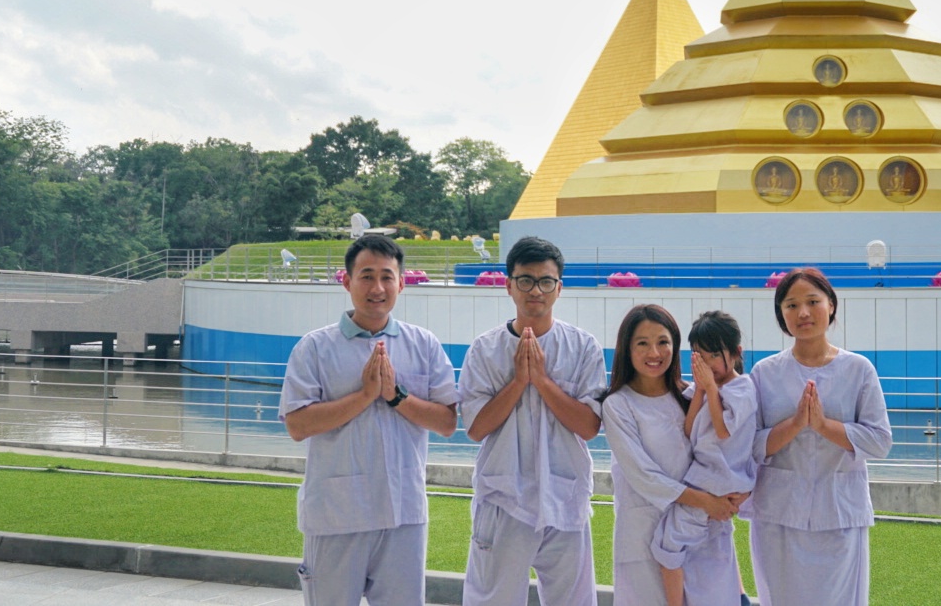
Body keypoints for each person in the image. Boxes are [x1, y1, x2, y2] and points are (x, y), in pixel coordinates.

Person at [278, 234, 459, 606]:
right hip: (336, 514)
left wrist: (395, 396)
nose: (377, 287)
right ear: (346, 281)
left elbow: (447, 422)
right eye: (366, 275)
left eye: (387, 276)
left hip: (403, 514)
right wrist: (363, 396)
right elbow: (298, 426)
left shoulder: (423, 345)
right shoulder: (315, 347)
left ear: (402, 283)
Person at [459, 236, 605, 606]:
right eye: (525, 280)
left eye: (545, 281)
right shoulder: (485, 349)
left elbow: (589, 426)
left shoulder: (583, 346)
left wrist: (541, 380)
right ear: (508, 285)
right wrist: (519, 382)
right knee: (492, 599)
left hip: (565, 493)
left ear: (559, 288)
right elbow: (476, 428)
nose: (535, 290)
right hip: (503, 495)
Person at [749, 269, 891, 606]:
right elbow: (750, 446)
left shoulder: (858, 370)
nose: (803, 313)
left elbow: (880, 441)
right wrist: (796, 424)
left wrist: (824, 425)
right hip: (779, 515)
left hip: (839, 514)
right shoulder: (764, 373)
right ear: (781, 314)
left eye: (813, 302)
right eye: (791, 305)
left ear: (831, 306)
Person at [600, 304, 743, 606]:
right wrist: (706, 501)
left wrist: (729, 498)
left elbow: (722, 453)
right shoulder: (619, 405)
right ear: (627, 349)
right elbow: (644, 477)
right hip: (644, 535)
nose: (654, 352)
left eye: (663, 342)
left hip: (702, 531)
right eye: (642, 343)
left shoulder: (692, 396)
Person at [652, 311, 757, 606]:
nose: (707, 363)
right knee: (704, 545)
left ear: (736, 353)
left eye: (713, 354)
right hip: (707, 478)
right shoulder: (705, 387)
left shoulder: (742, 388)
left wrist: (710, 388)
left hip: (717, 480)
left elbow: (723, 431)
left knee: (669, 543)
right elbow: (689, 430)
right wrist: (701, 390)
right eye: (699, 355)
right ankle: (737, 597)